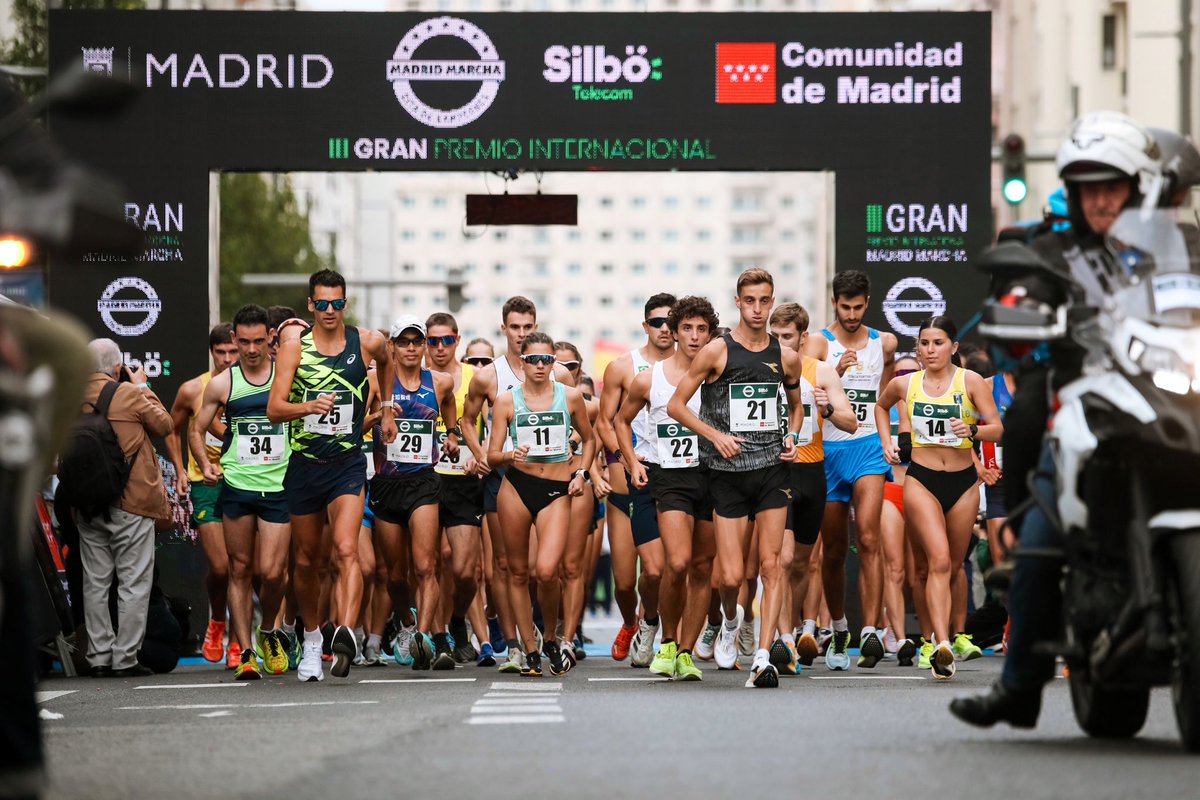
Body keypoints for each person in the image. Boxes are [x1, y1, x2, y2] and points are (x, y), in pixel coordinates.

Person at [951, 112, 1164, 724]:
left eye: (1113, 186)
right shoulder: (1051, 250)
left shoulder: (1174, 245)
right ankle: (1017, 686)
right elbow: (1016, 299)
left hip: (1169, 397)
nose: (1101, 199)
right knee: (1042, 542)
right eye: (1088, 186)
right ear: (1073, 191)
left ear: (1137, 187)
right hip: (1088, 404)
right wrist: (1018, 315)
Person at [668, 269, 806, 688]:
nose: (759, 309)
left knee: (772, 565)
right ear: (738, 302)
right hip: (726, 474)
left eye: (765, 300)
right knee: (729, 577)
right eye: (750, 301)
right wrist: (715, 436)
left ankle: (763, 657)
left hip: (772, 471)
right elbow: (676, 406)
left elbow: (797, 406)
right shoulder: (715, 351)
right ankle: (731, 619)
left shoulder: (786, 357)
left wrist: (793, 435)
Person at [268, 269, 391, 682]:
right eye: (321, 304)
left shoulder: (366, 342)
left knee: (345, 550)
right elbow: (274, 409)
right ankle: (312, 640)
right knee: (306, 562)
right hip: (305, 465)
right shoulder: (294, 350)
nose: (329, 311)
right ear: (310, 305)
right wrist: (309, 407)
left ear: (345, 304)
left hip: (347, 464)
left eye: (337, 303)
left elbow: (387, 358)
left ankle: (344, 632)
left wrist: (387, 408)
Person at [876, 316, 1002, 679]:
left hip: (963, 482)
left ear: (954, 347)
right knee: (939, 560)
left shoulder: (971, 382)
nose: (930, 350)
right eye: (924, 343)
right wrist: (886, 441)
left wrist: (975, 429)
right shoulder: (905, 383)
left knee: (953, 563)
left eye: (938, 343)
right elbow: (880, 407)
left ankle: (947, 637)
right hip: (922, 480)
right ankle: (941, 643)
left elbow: (998, 427)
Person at [460, 297, 574, 674]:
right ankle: (516, 645)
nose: (522, 334)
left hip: (550, 479)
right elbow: (468, 418)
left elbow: (579, 423)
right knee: (504, 567)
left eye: (528, 327)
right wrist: (480, 454)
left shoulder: (559, 377)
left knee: (546, 568)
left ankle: (548, 636)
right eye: (515, 327)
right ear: (504, 328)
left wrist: (573, 452)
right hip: (502, 476)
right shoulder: (488, 376)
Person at [616, 296, 721, 681]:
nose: (694, 337)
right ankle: (668, 641)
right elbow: (621, 421)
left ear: (711, 334)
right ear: (674, 332)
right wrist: (631, 461)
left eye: (702, 330)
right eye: (687, 329)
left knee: (702, 566)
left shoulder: (718, 375)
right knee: (676, 563)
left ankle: (687, 652)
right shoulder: (650, 378)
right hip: (670, 476)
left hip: (712, 475)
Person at [193, 305, 293, 680]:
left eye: (259, 341)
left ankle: (268, 630)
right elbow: (195, 427)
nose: (252, 349)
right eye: (244, 341)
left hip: (280, 485)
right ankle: (246, 653)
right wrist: (205, 464)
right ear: (234, 339)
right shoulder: (223, 384)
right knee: (239, 569)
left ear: (271, 337)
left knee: (272, 573)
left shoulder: (287, 376)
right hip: (237, 483)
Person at [487, 332, 596, 676]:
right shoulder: (506, 401)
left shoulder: (571, 396)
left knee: (547, 571)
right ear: (521, 362)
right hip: (516, 487)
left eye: (546, 360)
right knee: (518, 572)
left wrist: (582, 474)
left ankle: (550, 635)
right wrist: (509, 454)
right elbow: (491, 456)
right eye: (532, 359)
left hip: (556, 489)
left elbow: (590, 440)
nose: (539, 366)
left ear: (554, 363)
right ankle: (530, 649)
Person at [807, 270, 897, 670]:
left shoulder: (885, 343)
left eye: (859, 307)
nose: (852, 314)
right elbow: (808, 393)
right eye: (845, 307)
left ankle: (873, 631)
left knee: (871, 537)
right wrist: (837, 373)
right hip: (828, 451)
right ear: (834, 303)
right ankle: (840, 626)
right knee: (834, 551)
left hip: (867, 450)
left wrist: (888, 434)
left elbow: (885, 395)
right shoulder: (817, 343)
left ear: (868, 303)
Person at [74, 339, 174, 678]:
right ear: (117, 368)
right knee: (133, 581)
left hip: (86, 502)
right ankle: (125, 658)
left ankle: (99, 656)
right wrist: (143, 385)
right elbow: (164, 425)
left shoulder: (68, 397)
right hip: (131, 502)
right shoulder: (127, 394)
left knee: (95, 581)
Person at [767, 303, 858, 672]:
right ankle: (785, 639)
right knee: (783, 559)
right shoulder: (760, 368)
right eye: (774, 336)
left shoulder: (820, 371)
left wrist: (828, 409)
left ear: (803, 338)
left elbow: (851, 422)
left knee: (803, 564)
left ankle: (789, 632)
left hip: (813, 471)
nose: (778, 343)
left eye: (786, 337)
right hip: (776, 472)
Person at [372, 315, 460, 670]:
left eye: (416, 342)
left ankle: (423, 637)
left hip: (424, 480)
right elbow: (358, 423)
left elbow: (451, 402)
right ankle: (407, 624)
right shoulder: (377, 382)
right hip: (386, 483)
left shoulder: (439, 382)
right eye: (403, 342)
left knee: (426, 565)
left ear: (423, 346)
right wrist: (381, 416)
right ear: (391, 346)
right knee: (394, 574)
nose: (411, 348)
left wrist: (452, 434)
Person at [595, 293, 677, 665]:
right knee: (625, 581)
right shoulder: (622, 367)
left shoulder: (687, 368)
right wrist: (628, 458)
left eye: (670, 322)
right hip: (623, 485)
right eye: (657, 322)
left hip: (668, 481)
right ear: (645, 326)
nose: (664, 329)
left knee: (662, 568)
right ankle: (631, 621)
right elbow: (605, 420)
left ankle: (653, 623)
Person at [169, 323, 238, 666]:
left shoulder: (254, 385)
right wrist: (181, 469)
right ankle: (217, 621)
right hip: (206, 482)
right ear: (211, 352)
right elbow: (172, 427)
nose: (226, 359)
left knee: (245, 566)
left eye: (232, 352)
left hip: (245, 479)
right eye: (220, 353)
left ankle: (239, 642)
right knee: (222, 567)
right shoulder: (194, 388)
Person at [424, 312, 490, 665]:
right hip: (423, 479)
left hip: (464, 479)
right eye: (431, 341)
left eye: (445, 340)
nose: (438, 347)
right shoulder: (413, 377)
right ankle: (439, 639)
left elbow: (496, 421)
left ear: (457, 340)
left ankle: (456, 618)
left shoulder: (474, 378)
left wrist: (481, 456)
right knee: (431, 564)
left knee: (466, 571)